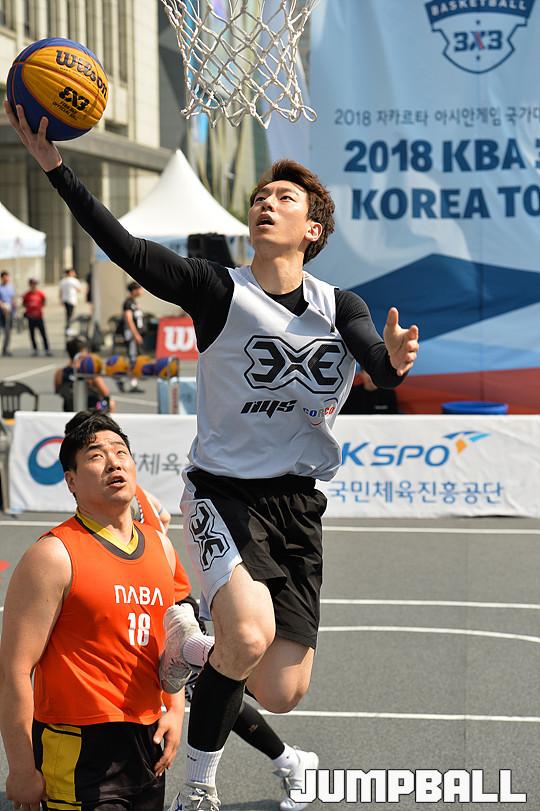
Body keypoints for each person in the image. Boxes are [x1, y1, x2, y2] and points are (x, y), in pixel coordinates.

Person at [4, 102, 419, 811]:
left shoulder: (338, 305)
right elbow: (126, 247)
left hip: (298, 504)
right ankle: (198, 783)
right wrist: (56, 169)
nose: (266, 203)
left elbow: (377, 365)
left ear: (312, 229)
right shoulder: (218, 288)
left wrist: (396, 360)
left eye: (283, 198)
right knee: (248, 633)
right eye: (260, 196)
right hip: (222, 492)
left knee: (281, 688)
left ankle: (188, 651)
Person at [0, 410, 184, 811]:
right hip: (78, 746)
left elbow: (170, 642)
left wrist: (174, 707)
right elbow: (14, 669)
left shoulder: (162, 548)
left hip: (147, 742)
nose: (114, 462)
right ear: (71, 480)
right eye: (96, 456)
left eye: (121, 452)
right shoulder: (53, 555)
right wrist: (21, 767)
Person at [132, 484, 318, 811]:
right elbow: (162, 516)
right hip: (151, 598)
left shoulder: (120, 498)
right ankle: (290, 761)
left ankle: (289, 760)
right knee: (221, 683)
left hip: (162, 602)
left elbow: (157, 523)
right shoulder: (138, 493)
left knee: (221, 679)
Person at [54, 336, 116, 412]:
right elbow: (106, 395)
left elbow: (58, 391)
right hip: (92, 412)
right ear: (81, 352)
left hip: (70, 410)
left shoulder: (60, 373)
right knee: (111, 403)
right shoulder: (90, 373)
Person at [22, 277, 52, 357]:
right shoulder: (27, 295)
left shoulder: (40, 293)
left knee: (43, 333)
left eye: (35, 284)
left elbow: (44, 301)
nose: (34, 286)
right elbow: (24, 303)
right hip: (31, 317)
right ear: (30, 285)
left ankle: (47, 349)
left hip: (39, 316)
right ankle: (35, 349)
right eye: (32, 284)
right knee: (32, 334)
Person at [0, 270, 16, 356]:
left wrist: (14, 306)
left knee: (8, 332)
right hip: (2, 312)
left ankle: (5, 349)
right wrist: (3, 307)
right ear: (2, 278)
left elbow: (13, 298)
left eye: (7, 277)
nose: (6, 279)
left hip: (10, 312)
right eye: (4, 277)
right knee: (3, 331)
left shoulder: (10, 287)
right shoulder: (0, 288)